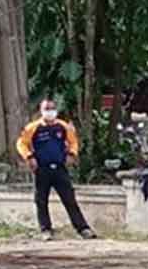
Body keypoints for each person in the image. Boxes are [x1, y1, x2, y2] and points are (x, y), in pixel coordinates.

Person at [16, 99, 95, 241]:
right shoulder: (33, 128)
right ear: (41, 110)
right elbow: (21, 144)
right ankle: (45, 230)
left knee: (69, 199)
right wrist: (29, 157)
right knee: (41, 200)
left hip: (59, 168)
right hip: (42, 169)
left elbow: (73, 142)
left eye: (52, 109)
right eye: (47, 109)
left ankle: (83, 229)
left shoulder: (63, 127)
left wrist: (72, 154)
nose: (50, 112)